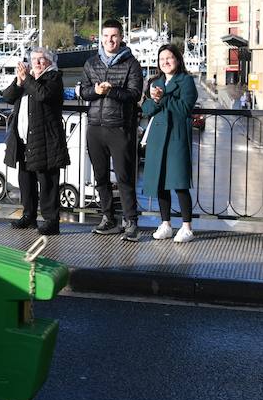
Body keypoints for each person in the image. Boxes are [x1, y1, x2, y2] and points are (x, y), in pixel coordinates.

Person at [77, 18, 144, 240]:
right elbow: (84, 92)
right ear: (101, 38)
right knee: (101, 177)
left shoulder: (132, 64)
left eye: (114, 36)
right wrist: (96, 91)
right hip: (95, 127)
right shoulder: (90, 63)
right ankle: (108, 219)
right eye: (106, 36)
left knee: (125, 177)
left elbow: (134, 95)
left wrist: (111, 91)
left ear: (121, 37)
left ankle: (131, 221)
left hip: (120, 127)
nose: (110, 40)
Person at [2, 46, 69, 235]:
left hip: (45, 140)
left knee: (47, 181)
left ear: (49, 62)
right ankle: (28, 215)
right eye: (34, 60)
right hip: (24, 139)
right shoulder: (27, 80)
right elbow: (7, 97)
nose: (38, 63)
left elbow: (42, 94)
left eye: (41, 59)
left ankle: (51, 221)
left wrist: (27, 79)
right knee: (26, 180)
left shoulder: (53, 78)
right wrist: (18, 81)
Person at [141, 43, 199, 243]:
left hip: (176, 136)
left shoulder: (186, 81)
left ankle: (187, 227)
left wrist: (163, 97)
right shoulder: (155, 81)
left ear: (177, 59)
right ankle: (165, 223)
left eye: (169, 58)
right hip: (158, 137)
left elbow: (185, 108)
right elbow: (147, 109)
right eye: (161, 59)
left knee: (179, 182)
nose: (165, 62)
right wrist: (155, 100)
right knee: (160, 182)